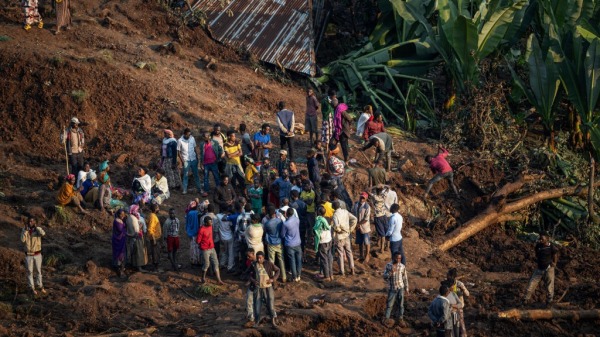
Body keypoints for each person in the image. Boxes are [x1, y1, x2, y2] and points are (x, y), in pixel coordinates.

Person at [523, 231, 559, 306]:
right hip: (539, 269)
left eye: (542, 237)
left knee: (550, 286)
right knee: (531, 284)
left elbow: (555, 254)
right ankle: (525, 300)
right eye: (540, 237)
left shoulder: (551, 246)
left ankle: (549, 302)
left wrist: (554, 263)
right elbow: (537, 254)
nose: (540, 239)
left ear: (547, 238)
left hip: (549, 269)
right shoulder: (538, 246)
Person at [248, 251, 280, 327]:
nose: (259, 260)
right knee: (257, 304)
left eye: (260, 258)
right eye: (258, 258)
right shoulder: (253, 264)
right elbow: (248, 274)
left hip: (268, 288)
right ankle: (257, 322)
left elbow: (278, 270)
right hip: (258, 288)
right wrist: (253, 280)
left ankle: (273, 321)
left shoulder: (269, 264)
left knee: (270, 304)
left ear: (263, 258)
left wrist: (273, 279)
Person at [21, 217, 46, 295]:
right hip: (28, 255)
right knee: (30, 272)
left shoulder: (38, 229)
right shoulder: (24, 230)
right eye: (29, 221)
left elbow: (43, 234)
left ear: (35, 222)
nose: (31, 222)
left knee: (38, 271)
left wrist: (37, 227)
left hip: (37, 254)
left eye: (32, 221)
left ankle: (40, 286)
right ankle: (31, 288)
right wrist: (25, 230)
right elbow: (22, 240)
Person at [331, 200, 357, 276]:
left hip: (339, 237)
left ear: (333, 207)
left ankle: (342, 271)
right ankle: (352, 269)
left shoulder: (335, 215)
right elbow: (354, 219)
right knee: (349, 252)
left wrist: (339, 230)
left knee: (340, 254)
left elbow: (336, 226)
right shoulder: (345, 211)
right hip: (347, 235)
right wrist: (350, 229)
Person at [383, 252, 409, 325]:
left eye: (400, 258)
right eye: (397, 258)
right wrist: (390, 272)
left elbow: (405, 278)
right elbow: (384, 277)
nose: (398, 260)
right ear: (394, 258)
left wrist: (407, 288)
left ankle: (400, 319)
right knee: (389, 305)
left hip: (400, 288)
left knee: (401, 304)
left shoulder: (402, 266)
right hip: (392, 288)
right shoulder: (388, 265)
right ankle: (386, 319)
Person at [197, 216, 224, 284]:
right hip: (205, 249)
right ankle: (203, 278)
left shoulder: (210, 227)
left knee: (216, 263)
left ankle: (219, 280)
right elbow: (198, 241)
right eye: (210, 222)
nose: (212, 223)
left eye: (211, 222)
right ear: (206, 223)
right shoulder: (201, 230)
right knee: (206, 264)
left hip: (212, 248)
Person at [263, 206, 286, 283]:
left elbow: (265, 232)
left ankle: (272, 278)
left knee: (271, 262)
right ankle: (284, 277)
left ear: (268, 214)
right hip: (279, 242)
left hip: (271, 243)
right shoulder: (280, 221)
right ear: (275, 213)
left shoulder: (267, 223)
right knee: (281, 260)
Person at [178, 128, 202, 195]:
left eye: (190, 134)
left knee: (196, 174)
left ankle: (199, 189)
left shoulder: (192, 138)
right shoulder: (180, 141)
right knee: (185, 175)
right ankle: (184, 190)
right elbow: (179, 152)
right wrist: (182, 161)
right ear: (184, 134)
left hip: (193, 159)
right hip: (186, 160)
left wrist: (197, 156)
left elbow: (195, 148)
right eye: (188, 135)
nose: (189, 136)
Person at [447, 268, 470, 337]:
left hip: (456, 307)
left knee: (459, 326)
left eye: (447, 275)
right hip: (454, 307)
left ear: (451, 276)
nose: (446, 276)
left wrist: (462, 288)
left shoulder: (459, 284)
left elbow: (467, 294)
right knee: (459, 326)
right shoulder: (450, 284)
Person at [281, 207, 302, 282]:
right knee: (299, 260)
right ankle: (299, 275)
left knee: (292, 260)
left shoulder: (285, 224)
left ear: (286, 214)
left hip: (289, 244)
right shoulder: (297, 220)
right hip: (298, 243)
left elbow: (282, 235)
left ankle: (294, 276)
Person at [313, 206, 333, 282]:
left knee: (324, 259)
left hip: (323, 241)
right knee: (329, 258)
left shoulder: (319, 220)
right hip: (329, 240)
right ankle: (331, 275)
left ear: (319, 212)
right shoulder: (328, 219)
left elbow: (315, 230)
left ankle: (327, 276)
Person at [199, 131, 222, 196]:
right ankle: (206, 191)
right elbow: (201, 154)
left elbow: (220, 150)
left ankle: (219, 190)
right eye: (203, 137)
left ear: (209, 137)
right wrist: (201, 163)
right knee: (206, 178)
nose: (203, 138)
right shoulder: (202, 144)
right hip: (206, 164)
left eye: (205, 136)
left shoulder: (214, 143)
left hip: (213, 163)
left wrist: (219, 158)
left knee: (216, 177)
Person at [126, 205, 148, 272]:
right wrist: (140, 226)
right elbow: (137, 231)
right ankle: (139, 267)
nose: (138, 211)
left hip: (131, 238)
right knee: (138, 252)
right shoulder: (134, 219)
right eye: (137, 210)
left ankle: (134, 265)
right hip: (136, 238)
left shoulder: (129, 217)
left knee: (134, 252)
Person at [352, 192, 371, 263]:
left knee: (366, 242)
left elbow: (366, 219)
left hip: (365, 227)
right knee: (360, 242)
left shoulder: (367, 206)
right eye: (361, 197)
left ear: (366, 199)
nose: (362, 199)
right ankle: (361, 255)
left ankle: (367, 256)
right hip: (358, 226)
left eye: (363, 198)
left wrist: (358, 224)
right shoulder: (356, 204)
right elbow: (353, 213)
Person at [146, 204, 162, 271]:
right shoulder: (152, 217)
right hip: (155, 238)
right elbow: (150, 229)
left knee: (156, 252)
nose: (158, 209)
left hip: (155, 237)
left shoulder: (152, 215)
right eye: (158, 208)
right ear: (155, 209)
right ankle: (155, 268)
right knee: (155, 253)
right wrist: (154, 239)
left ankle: (155, 267)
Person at [112, 209, 127, 277]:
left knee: (121, 253)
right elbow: (121, 229)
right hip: (118, 240)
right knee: (120, 254)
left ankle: (120, 268)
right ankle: (120, 272)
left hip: (121, 239)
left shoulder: (119, 220)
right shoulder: (117, 221)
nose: (122, 215)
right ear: (118, 214)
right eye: (121, 214)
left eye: (123, 214)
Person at [185, 200, 201, 267]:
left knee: (192, 247)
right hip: (197, 231)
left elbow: (187, 223)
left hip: (190, 232)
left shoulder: (189, 213)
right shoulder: (198, 213)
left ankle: (193, 261)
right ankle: (198, 260)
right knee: (197, 247)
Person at [243, 248, 257, 323]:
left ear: (253, 254)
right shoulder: (250, 262)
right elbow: (249, 273)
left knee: (263, 301)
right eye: (247, 257)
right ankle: (251, 318)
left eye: (249, 256)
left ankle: (272, 315)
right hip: (252, 285)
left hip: (259, 285)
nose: (248, 258)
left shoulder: (259, 263)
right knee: (249, 301)